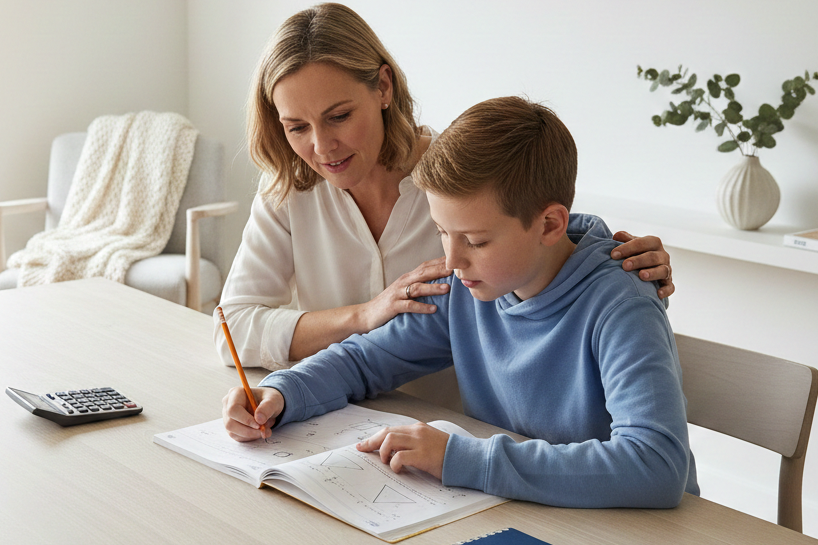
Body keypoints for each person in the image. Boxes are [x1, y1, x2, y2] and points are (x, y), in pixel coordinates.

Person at [222, 96, 699, 508]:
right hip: (517, 512)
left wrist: (462, 457)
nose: (450, 261)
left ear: (551, 225)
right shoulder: (469, 291)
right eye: (442, 233)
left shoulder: (621, 303)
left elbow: (655, 463)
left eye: (475, 240)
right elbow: (364, 360)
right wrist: (284, 394)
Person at [214, 2, 675, 373]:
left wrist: (614, 261)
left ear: (383, 88)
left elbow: (543, 240)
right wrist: (365, 314)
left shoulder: (455, 184)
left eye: (339, 116)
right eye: (297, 127)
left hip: (458, 437)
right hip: (342, 420)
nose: (321, 147)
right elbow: (232, 329)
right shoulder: (288, 190)